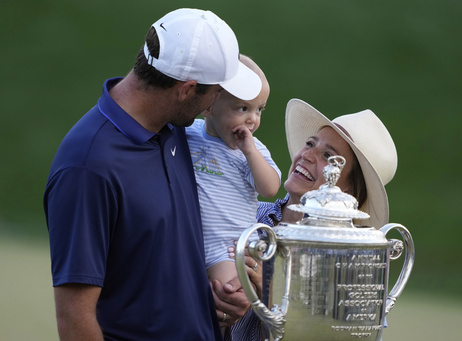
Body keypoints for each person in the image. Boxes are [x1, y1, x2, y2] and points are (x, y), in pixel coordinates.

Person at [43, 8, 262, 340]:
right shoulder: (88, 167)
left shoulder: (177, 129)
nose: (218, 99)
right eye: (216, 90)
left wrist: (212, 298)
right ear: (187, 90)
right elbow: (75, 315)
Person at [227, 98, 398, 340]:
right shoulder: (246, 212)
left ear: (349, 189)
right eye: (310, 143)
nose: (307, 155)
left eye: (329, 156)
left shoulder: (353, 265)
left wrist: (270, 295)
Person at [186, 54, 281, 330]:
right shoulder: (187, 132)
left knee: (228, 297)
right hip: (185, 238)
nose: (252, 119)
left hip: (225, 247)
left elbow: (270, 187)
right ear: (208, 107)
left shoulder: (253, 151)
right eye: (242, 108)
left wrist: (249, 151)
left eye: (259, 110)